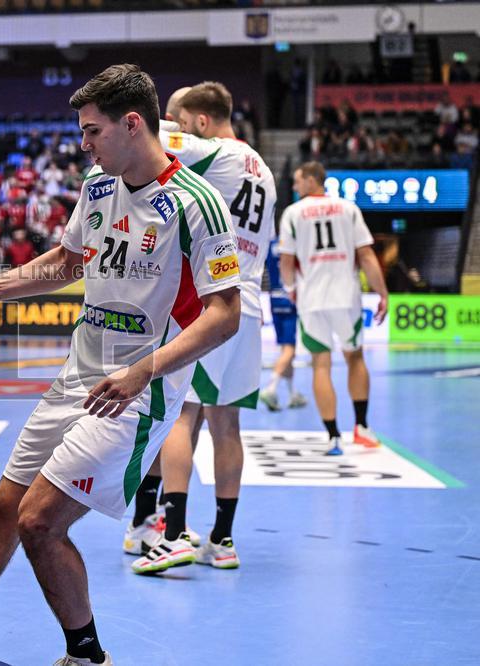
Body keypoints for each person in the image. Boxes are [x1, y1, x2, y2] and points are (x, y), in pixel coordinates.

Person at [0, 64, 242, 666]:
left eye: (92, 131)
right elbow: (65, 261)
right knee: (1, 511)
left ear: (132, 124)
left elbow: (225, 315)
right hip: (77, 373)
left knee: (37, 521)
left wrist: (144, 371)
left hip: (139, 390)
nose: (82, 143)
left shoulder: (197, 204)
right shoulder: (98, 186)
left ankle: (87, 657)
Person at [123, 81, 278, 573]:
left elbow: (149, 139)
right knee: (227, 424)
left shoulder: (215, 152)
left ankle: (171, 532)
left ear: (202, 122)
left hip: (215, 304)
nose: (181, 130)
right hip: (250, 306)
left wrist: (149, 118)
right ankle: (223, 538)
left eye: (184, 121)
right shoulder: (267, 172)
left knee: (180, 416)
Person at [279, 161, 389, 456]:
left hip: (312, 300)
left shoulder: (292, 213)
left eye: (298, 180)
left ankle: (332, 437)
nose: (294, 186)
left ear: (313, 180)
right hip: (346, 297)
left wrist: (291, 290)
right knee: (355, 357)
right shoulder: (348, 208)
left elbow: (286, 262)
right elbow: (366, 255)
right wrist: (382, 293)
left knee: (321, 364)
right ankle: (362, 427)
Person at [258, 235, 307, 411]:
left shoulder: (270, 243)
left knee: (286, 349)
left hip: (274, 297)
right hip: (290, 297)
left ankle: (293, 393)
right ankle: (270, 388)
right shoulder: (295, 243)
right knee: (290, 349)